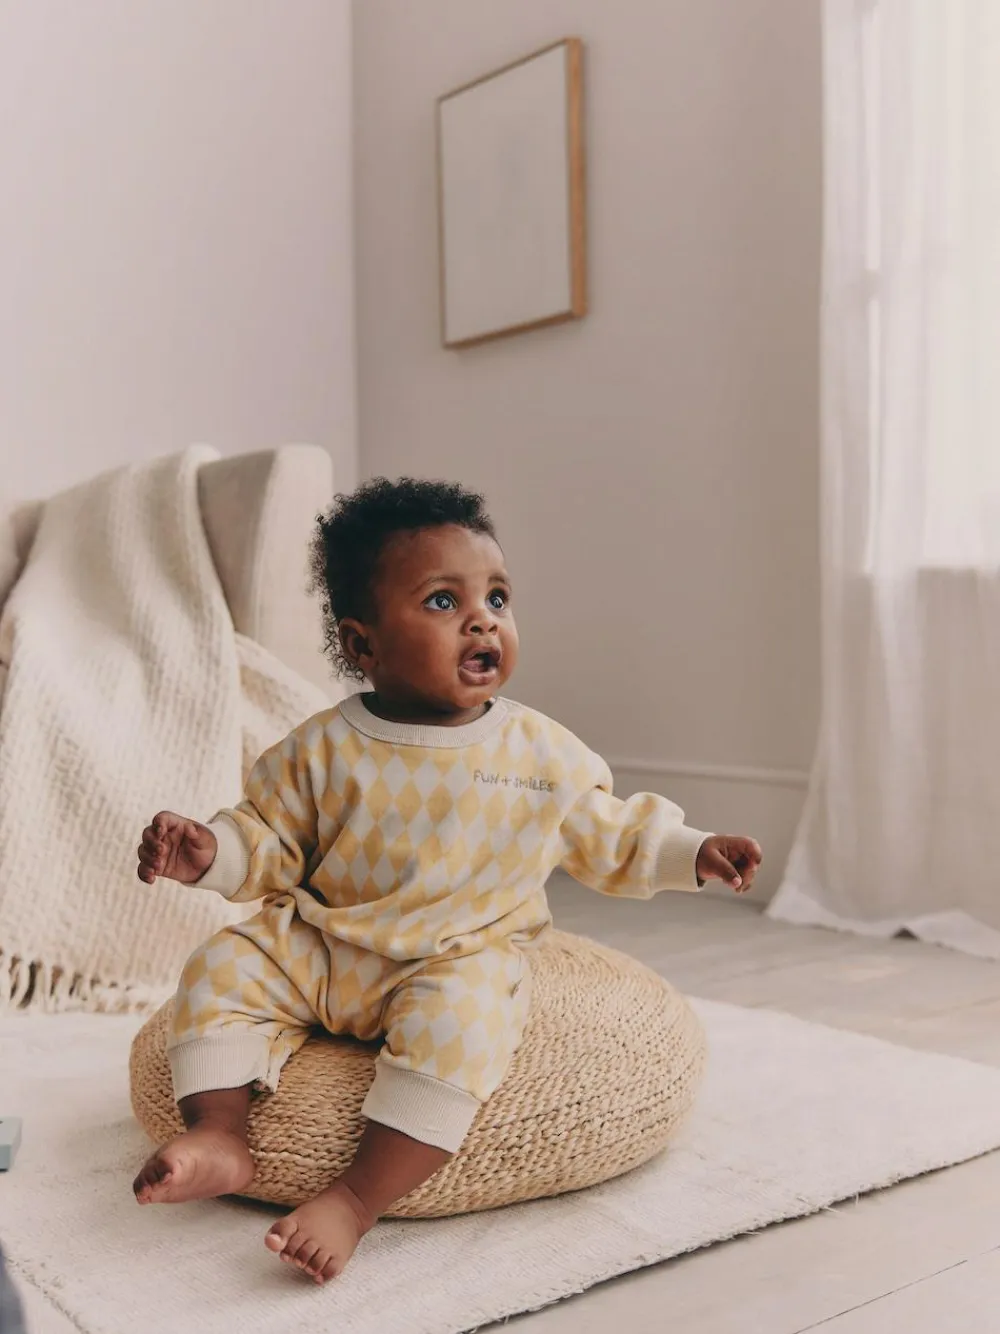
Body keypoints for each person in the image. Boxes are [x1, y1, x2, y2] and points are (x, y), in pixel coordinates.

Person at [132, 478, 762, 1284]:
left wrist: (693, 851)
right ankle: (220, 1131)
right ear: (363, 646)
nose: (484, 620)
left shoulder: (538, 752)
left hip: (454, 957)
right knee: (220, 967)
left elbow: (611, 830)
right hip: (323, 944)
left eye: (497, 597)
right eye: (442, 601)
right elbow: (269, 838)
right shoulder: (322, 748)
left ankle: (355, 1199)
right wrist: (209, 853)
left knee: (465, 1028)